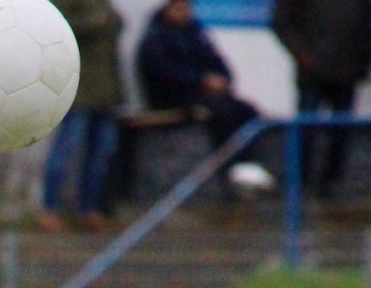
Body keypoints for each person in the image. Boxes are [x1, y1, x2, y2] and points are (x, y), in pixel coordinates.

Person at [138, 0, 278, 194]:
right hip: (175, 96)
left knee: (247, 110)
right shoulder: (156, 38)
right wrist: (201, 81)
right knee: (222, 113)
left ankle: (250, 163)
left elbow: (219, 64)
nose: (185, 12)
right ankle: (231, 168)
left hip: (203, 94)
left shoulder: (195, 34)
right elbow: (162, 73)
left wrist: (220, 81)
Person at [271, 0, 371, 198]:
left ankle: (332, 181)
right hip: (313, 74)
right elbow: (280, 22)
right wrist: (301, 54)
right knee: (306, 127)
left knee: (342, 130)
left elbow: (367, 27)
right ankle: (299, 181)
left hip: (347, 71)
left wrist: (366, 63)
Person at [40, 0, 126, 231]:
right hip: (77, 91)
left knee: (101, 154)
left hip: (105, 92)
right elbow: (53, 27)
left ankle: (89, 209)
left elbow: (116, 24)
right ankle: (49, 208)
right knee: (66, 150)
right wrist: (94, 23)